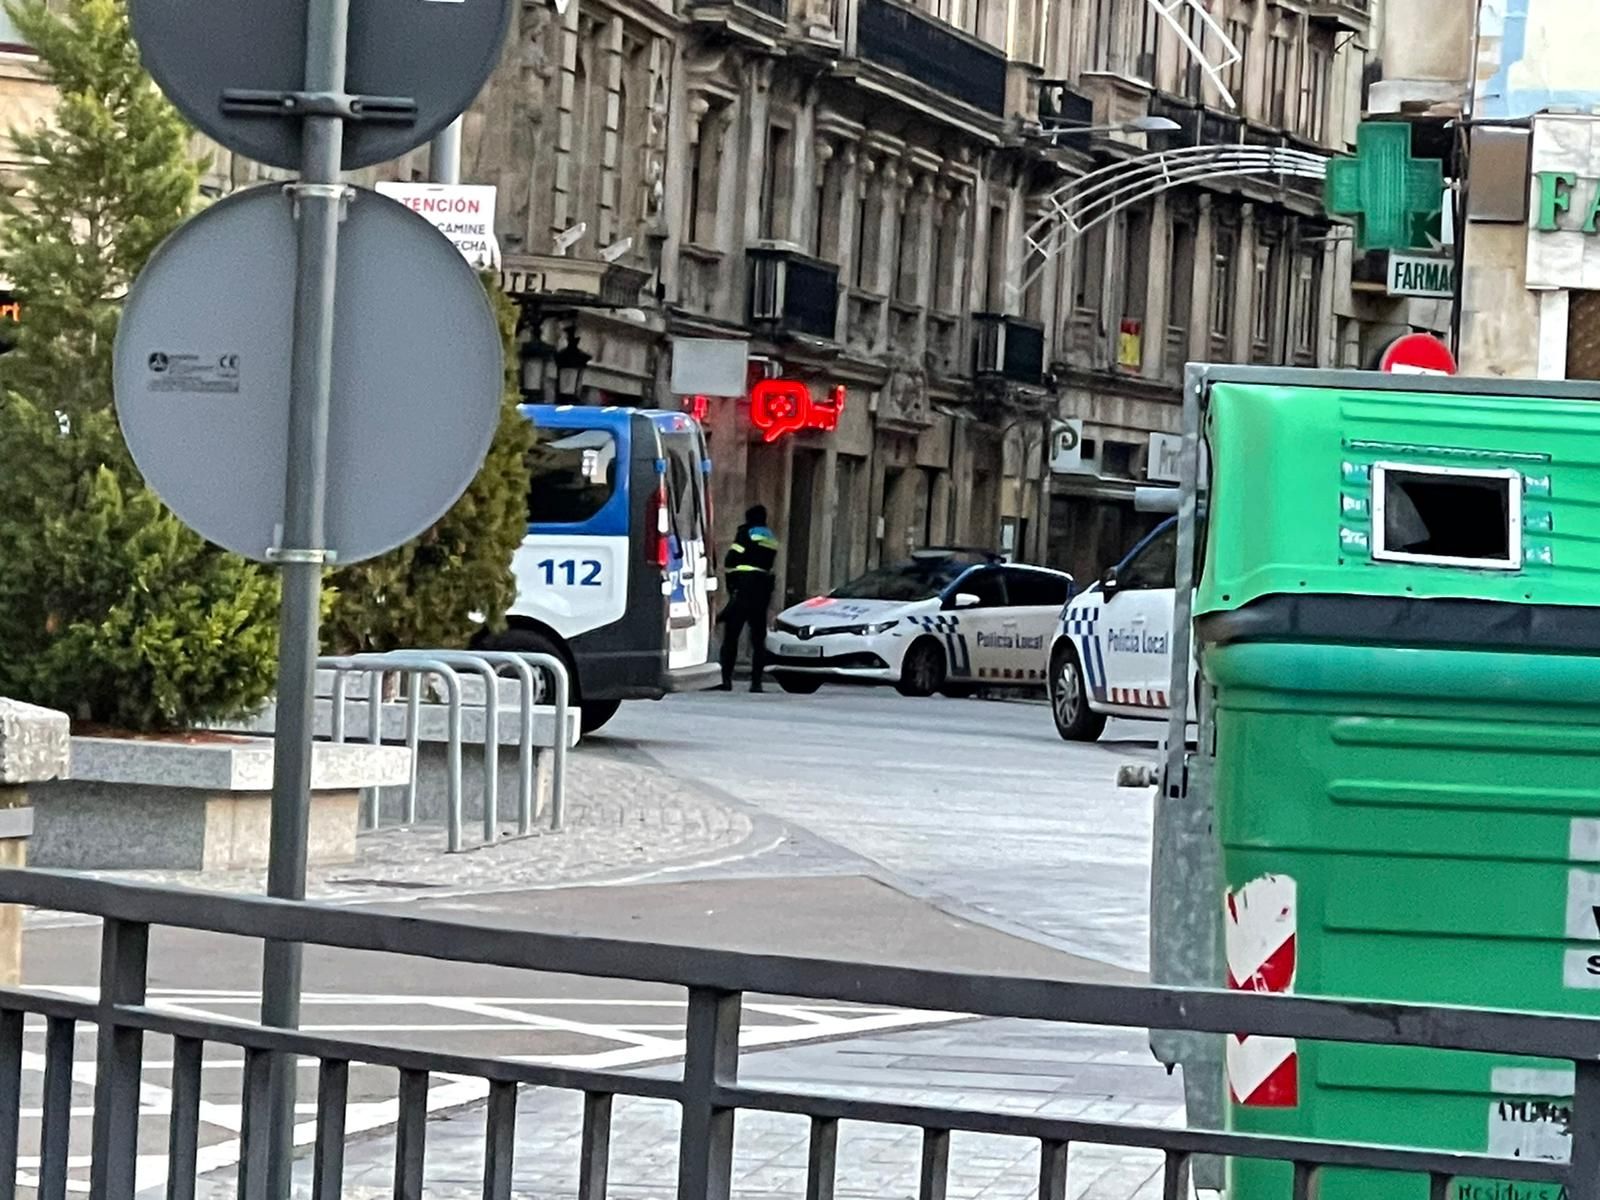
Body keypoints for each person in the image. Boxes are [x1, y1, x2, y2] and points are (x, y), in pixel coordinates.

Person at [718, 505, 780, 693]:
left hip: (743, 588)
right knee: (758, 639)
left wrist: (731, 582)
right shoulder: (770, 537)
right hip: (762, 591)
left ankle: (726, 679)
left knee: (731, 636)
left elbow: (731, 558)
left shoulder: (745, 532)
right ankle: (756, 682)